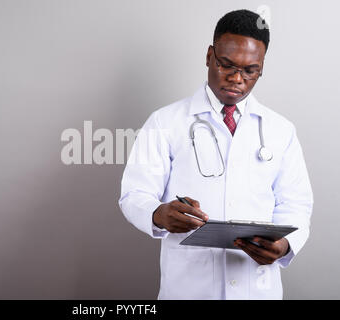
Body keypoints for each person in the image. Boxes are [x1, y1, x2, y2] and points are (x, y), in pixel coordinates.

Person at [118, 9, 313, 300]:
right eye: (226, 65)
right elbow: (134, 194)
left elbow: (296, 204)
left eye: (250, 70)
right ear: (209, 56)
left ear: (261, 68)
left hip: (257, 288)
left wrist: (284, 245)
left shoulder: (281, 130)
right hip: (188, 289)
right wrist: (159, 214)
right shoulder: (165, 122)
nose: (237, 78)